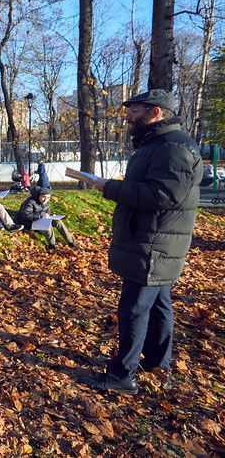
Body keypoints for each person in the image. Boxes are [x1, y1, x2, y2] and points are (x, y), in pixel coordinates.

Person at [81, 89, 202, 394]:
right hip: (152, 241)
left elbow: (162, 195)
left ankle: (123, 375)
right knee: (159, 305)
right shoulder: (158, 144)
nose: (129, 118)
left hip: (154, 244)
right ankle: (157, 364)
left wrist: (110, 187)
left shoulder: (173, 148)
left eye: (134, 112)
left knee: (134, 309)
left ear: (155, 112)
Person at [16, 185, 75, 251]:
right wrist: (41, 215)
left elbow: (47, 212)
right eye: (43, 197)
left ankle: (70, 242)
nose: (46, 200)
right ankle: (52, 245)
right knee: (47, 224)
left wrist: (51, 215)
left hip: (39, 218)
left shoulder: (46, 202)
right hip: (27, 222)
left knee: (58, 221)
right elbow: (26, 216)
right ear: (38, 196)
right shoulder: (29, 202)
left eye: (48, 197)